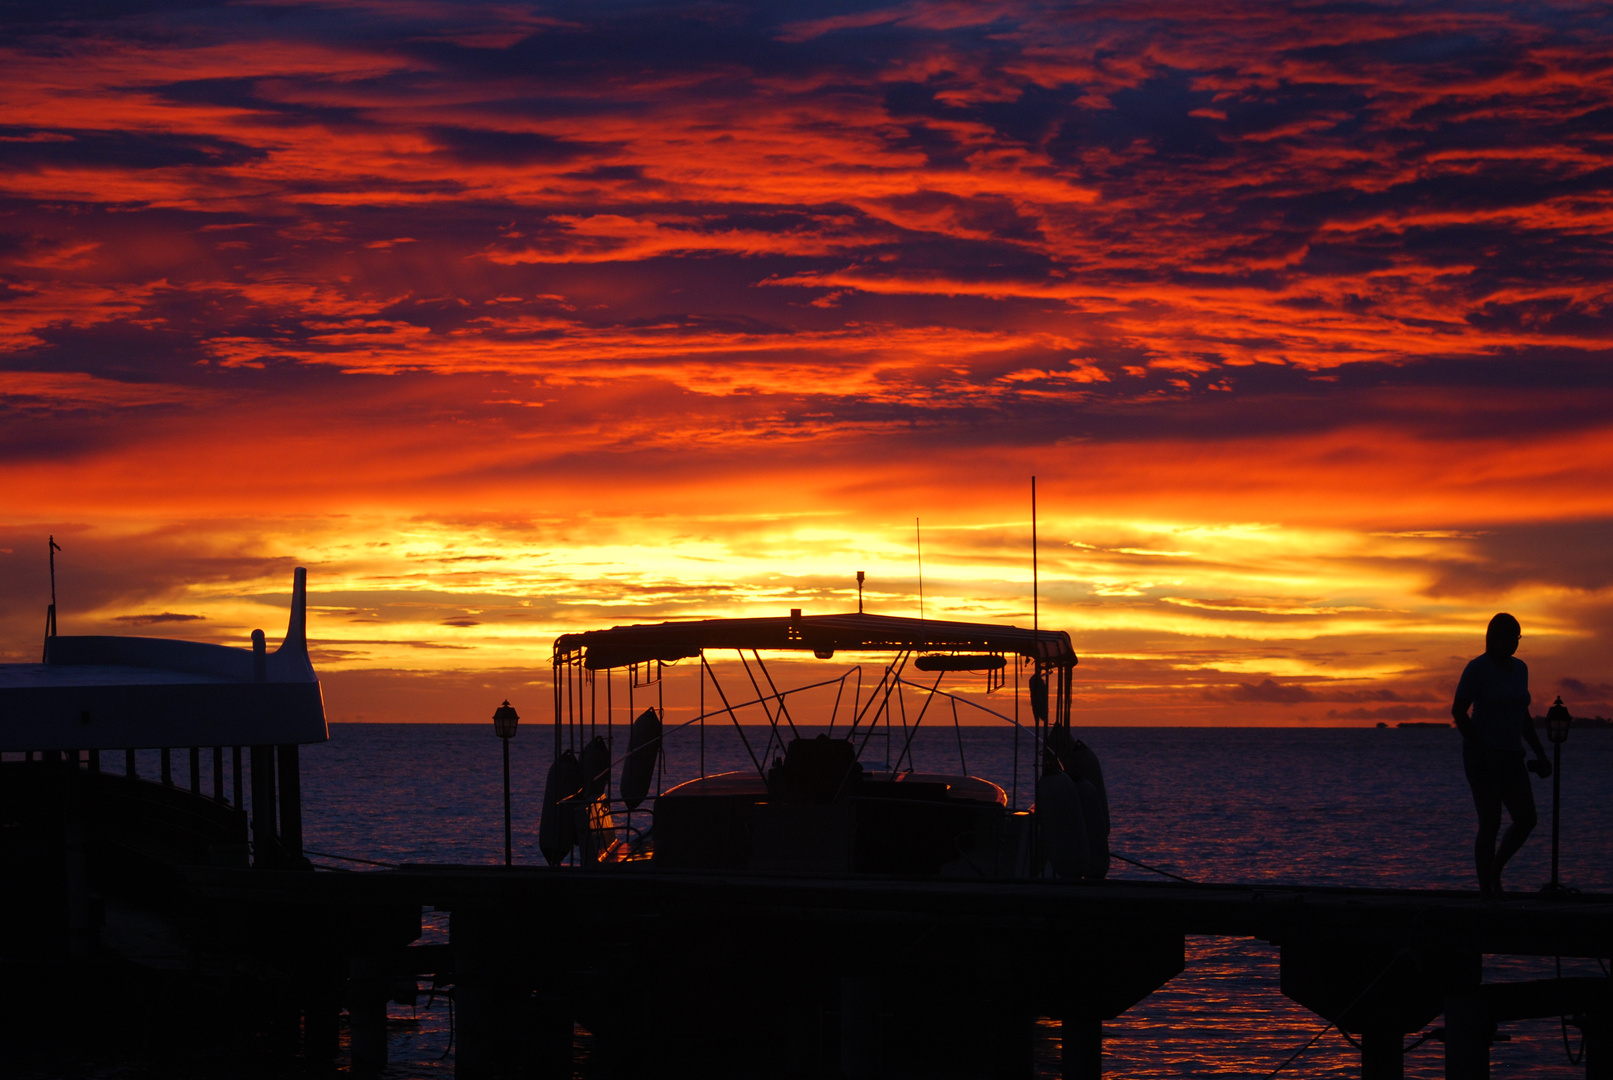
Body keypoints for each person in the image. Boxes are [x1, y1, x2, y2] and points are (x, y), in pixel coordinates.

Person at [1451, 612, 1551, 898]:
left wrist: (1540, 753)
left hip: (1512, 756)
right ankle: (1487, 891)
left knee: (1526, 818)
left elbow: (1523, 716)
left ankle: (1494, 871)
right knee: (1490, 822)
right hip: (1482, 756)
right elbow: (1459, 710)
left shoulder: (1521, 669)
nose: (1512, 643)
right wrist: (1479, 748)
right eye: (1507, 636)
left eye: (1516, 637)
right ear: (1492, 637)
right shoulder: (1478, 668)